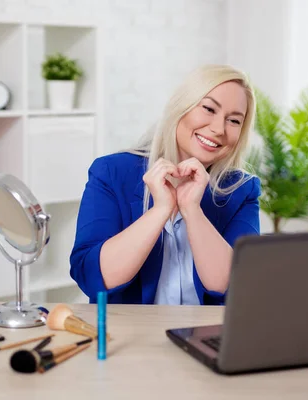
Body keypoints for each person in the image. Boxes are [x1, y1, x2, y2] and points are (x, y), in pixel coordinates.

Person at [69, 64, 261, 305]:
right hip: (130, 335)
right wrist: (160, 210)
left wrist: (192, 210)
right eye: (209, 108)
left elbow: (231, 285)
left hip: (207, 337)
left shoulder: (242, 190)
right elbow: (93, 277)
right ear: (181, 107)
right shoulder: (111, 173)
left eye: (234, 120)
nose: (218, 129)